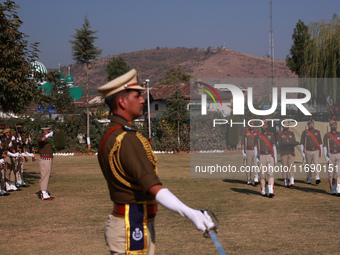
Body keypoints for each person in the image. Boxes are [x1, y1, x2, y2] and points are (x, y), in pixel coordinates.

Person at [97, 69, 214, 255]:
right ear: (122, 101)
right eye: (137, 96)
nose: (143, 100)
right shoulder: (125, 138)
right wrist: (190, 213)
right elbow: (152, 185)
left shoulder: (112, 133)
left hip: (132, 221)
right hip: (132, 225)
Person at [254, 120, 277, 198]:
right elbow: (255, 148)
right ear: (261, 126)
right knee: (262, 175)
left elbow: (274, 146)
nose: (264, 126)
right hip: (262, 156)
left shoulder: (271, 135)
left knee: (271, 173)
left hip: (270, 155)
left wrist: (275, 157)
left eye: (265, 125)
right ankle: (264, 190)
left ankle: (270, 190)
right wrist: (256, 157)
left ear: (267, 126)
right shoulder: (257, 136)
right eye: (263, 125)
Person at [300, 118, 323, 184]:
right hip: (307, 151)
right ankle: (309, 178)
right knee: (308, 165)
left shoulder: (317, 132)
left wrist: (320, 152)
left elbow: (320, 143)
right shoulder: (304, 132)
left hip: (315, 150)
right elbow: (302, 143)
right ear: (308, 125)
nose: (311, 125)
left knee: (316, 164)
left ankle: (317, 177)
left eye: (312, 124)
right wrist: (302, 153)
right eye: (310, 124)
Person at [277, 121, 298, 187]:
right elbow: (278, 143)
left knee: (291, 166)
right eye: (285, 125)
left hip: (290, 151)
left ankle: (292, 181)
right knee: (284, 167)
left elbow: (294, 141)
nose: (286, 126)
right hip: (283, 152)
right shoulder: (280, 134)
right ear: (283, 126)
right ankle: (285, 181)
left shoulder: (292, 133)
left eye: (287, 125)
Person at [323, 117, 340, 196]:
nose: (334, 125)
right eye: (332, 124)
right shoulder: (327, 135)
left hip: (339, 154)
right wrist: (327, 158)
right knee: (331, 174)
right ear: (330, 126)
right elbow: (325, 147)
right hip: (331, 155)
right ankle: (333, 190)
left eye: (335, 124)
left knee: (339, 173)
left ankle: (339, 190)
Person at [37, 127, 54, 200]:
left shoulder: (46, 140)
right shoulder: (40, 140)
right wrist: (46, 136)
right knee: (44, 175)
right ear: (44, 133)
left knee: (47, 175)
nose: (49, 133)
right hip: (44, 160)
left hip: (48, 159)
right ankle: (43, 193)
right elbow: (41, 140)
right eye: (48, 132)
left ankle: (45, 192)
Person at [241, 119, 259, 185]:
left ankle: (256, 178)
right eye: (250, 124)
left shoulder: (257, 131)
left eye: (253, 124)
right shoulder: (245, 132)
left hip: (255, 150)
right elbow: (242, 142)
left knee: (256, 165)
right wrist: (243, 152)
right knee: (248, 166)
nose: (252, 125)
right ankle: (249, 179)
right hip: (248, 150)